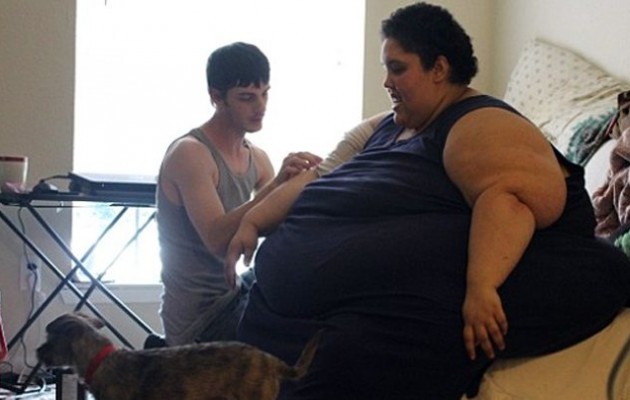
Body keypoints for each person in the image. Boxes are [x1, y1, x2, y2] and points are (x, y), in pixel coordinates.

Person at [224, 4, 630, 399]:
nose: (386, 81)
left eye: (398, 68)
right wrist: (254, 222)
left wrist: (482, 287)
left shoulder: (479, 124)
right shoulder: (388, 125)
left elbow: (510, 199)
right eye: (385, 68)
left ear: (439, 69)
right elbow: (321, 174)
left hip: (368, 308)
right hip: (287, 301)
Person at [156, 42, 321, 347]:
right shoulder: (190, 154)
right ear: (216, 97)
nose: (260, 106)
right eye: (247, 98)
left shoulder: (257, 157)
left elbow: (279, 223)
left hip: (235, 297)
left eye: (265, 94)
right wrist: (276, 186)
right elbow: (217, 241)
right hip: (201, 322)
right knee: (301, 331)